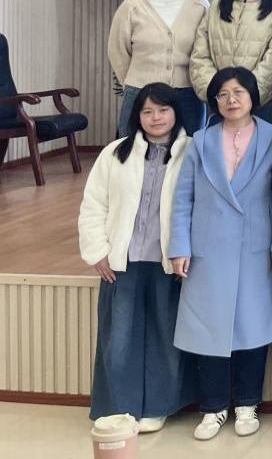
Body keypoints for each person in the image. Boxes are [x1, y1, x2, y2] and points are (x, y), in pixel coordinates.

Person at [169, 67, 272, 441]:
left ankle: (248, 404)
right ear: (214, 101)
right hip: (208, 246)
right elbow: (183, 198)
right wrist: (180, 246)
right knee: (209, 327)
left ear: (253, 96)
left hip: (255, 245)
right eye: (223, 94)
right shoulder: (200, 141)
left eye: (238, 92)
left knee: (253, 324)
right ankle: (213, 406)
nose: (231, 100)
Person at [78, 82, 194, 431]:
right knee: (119, 338)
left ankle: (159, 406)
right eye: (147, 111)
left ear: (176, 112)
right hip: (122, 263)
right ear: (136, 115)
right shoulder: (115, 153)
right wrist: (97, 251)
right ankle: (119, 407)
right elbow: (93, 203)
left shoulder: (192, 152)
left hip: (168, 262)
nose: (156, 117)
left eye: (163, 110)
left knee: (164, 335)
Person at [107, 0, 210, 135]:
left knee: (189, 148)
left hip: (188, 94)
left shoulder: (200, 6)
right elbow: (117, 50)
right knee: (133, 147)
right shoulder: (132, 5)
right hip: (140, 91)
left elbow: (207, 50)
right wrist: (131, 82)